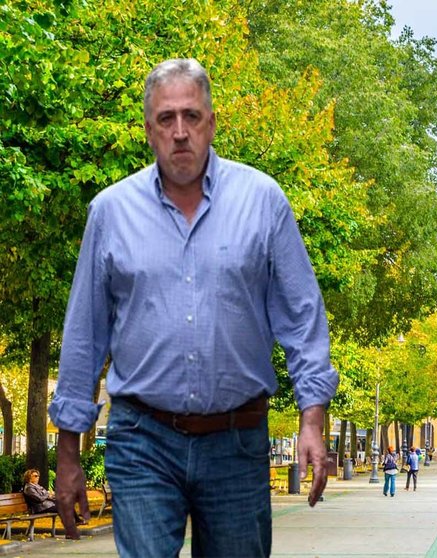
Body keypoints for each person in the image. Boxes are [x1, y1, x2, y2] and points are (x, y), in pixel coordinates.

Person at [48, 58, 338, 555]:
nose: (180, 132)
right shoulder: (111, 213)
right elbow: (85, 334)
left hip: (237, 440)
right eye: (166, 119)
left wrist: (313, 419)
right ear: (148, 129)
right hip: (141, 440)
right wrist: (68, 451)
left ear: (212, 122)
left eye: (191, 116)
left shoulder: (263, 201)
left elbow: (302, 315)